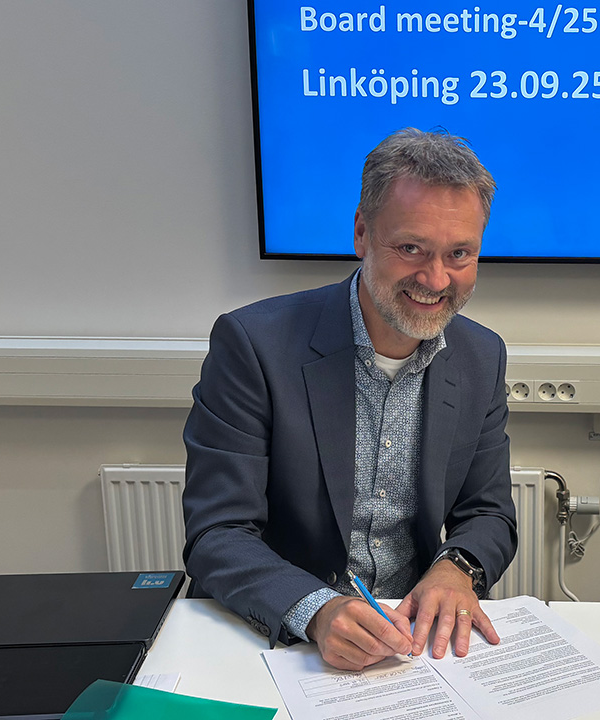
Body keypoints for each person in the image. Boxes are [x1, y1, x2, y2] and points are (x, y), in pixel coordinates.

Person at [183, 128, 517, 671]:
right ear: (362, 232)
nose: (436, 279)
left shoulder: (482, 355)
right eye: (411, 248)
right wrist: (315, 609)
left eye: (459, 254)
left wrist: (456, 568)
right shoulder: (254, 344)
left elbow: (489, 512)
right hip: (275, 636)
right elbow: (217, 532)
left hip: (409, 644)